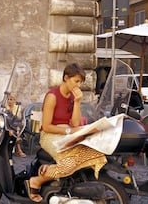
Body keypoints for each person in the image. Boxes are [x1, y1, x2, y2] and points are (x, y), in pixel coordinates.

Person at [25, 63, 107, 203]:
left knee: (91, 151)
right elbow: (46, 126)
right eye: (76, 81)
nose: (78, 86)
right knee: (70, 162)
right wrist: (68, 131)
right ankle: (36, 181)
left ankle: (51, 170)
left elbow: (75, 123)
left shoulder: (71, 97)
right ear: (66, 78)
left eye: (80, 82)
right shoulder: (52, 96)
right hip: (50, 135)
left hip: (66, 134)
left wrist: (77, 102)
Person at [5, 93, 26, 158]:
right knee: (14, 132)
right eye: (8, 99)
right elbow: (6, 119)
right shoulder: (5, 107)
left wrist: (17, 114)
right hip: (7, 126)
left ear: (14, 100)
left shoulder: (17, 108)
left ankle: (18, 148)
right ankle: (19, 150)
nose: (9, 101)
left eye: (11, 99)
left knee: (17, 129)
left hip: (15, 126)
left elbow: (19, 119)